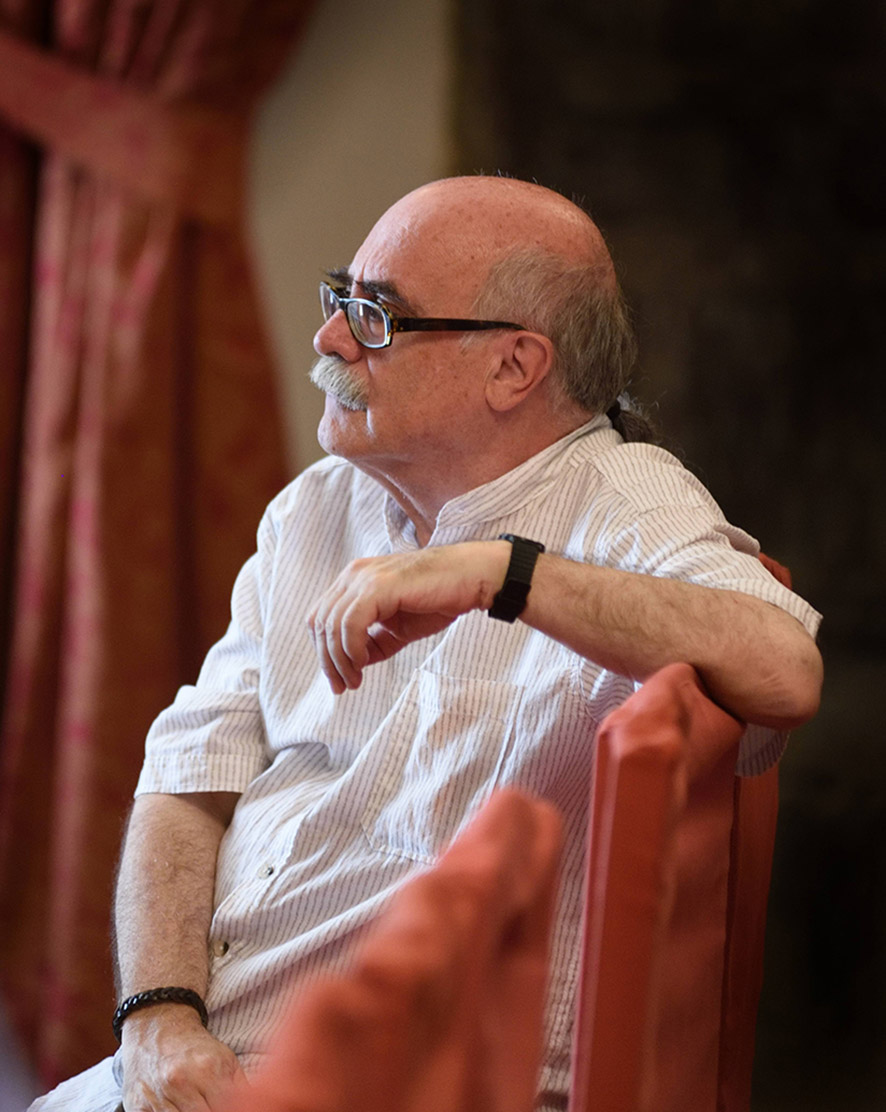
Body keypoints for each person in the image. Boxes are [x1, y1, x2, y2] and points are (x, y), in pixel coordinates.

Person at [31, 175, 822, 1112]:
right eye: (341, 297)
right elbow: (187, 779)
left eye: (377, 317)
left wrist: (503, 573)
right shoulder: (319, 505)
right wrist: (158, 1016)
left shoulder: (622, 499)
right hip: (194, 1060)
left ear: (513, 368)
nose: (328, 338)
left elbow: (785, 668)